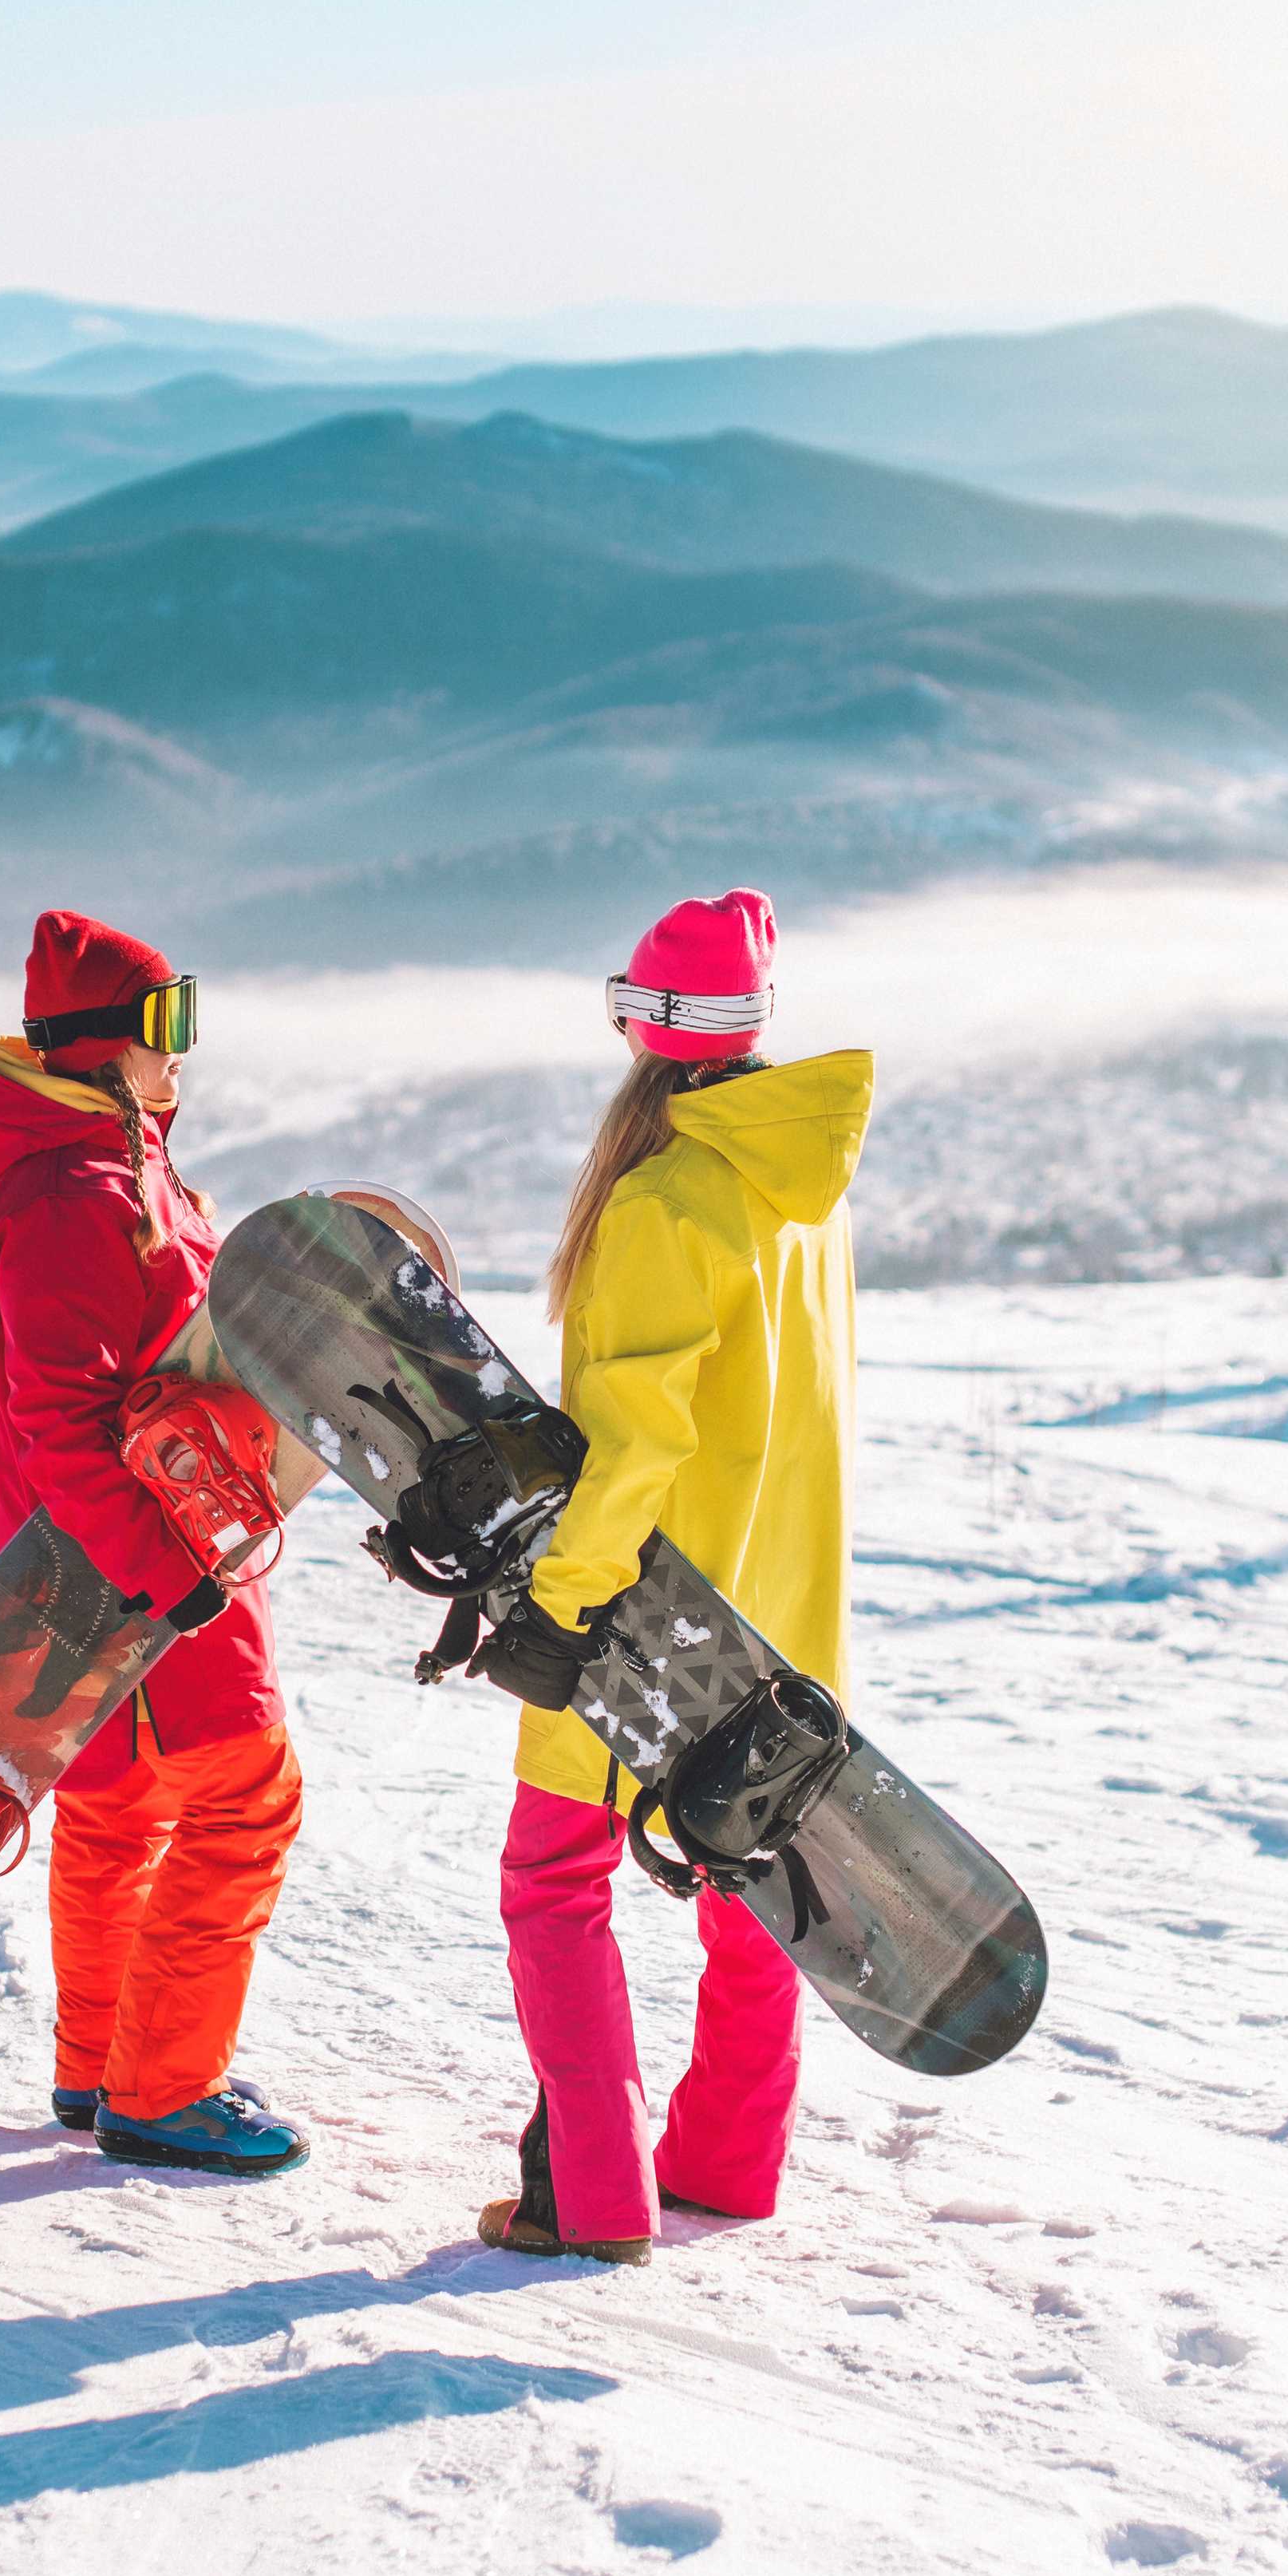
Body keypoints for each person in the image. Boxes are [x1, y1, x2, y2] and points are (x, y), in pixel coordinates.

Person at [466, 888, 873, 2263]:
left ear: (641, 1030)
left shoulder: (666, 1200)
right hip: (781, 1616)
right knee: (756, 1880)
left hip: (644, 1615)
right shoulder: (803, 1197)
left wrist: (559, 1608)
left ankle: (588, 2193)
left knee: (554, 1880)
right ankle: (726, 2161)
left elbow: (637, 1447)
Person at [0, 908, 308, 2177]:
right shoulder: (73, 1194)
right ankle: (164, 2090)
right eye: (167, 1027)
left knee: (118, 1803)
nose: (183, 1053)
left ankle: (102, 2070)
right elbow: (61, 1420)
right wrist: (167, 1583)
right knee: (249, 1796)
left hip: (108, 1564)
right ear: (102, 1047)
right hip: (140, 1562)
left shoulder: (102, 1164)